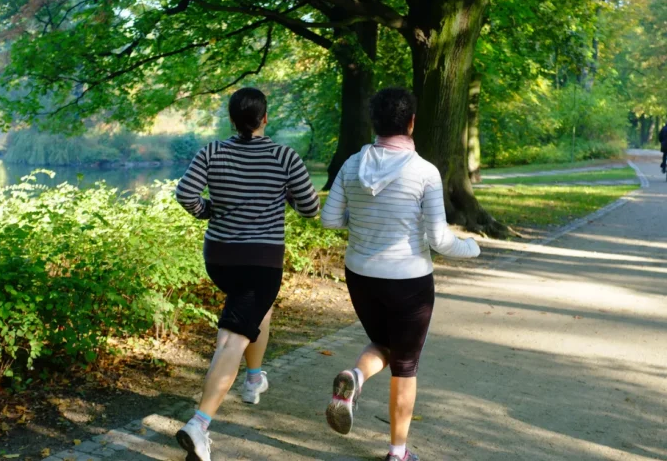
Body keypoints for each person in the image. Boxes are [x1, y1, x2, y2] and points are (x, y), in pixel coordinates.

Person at [321, 87, 481, 461]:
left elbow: (329, 220)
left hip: (360, 275)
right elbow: (439, 240)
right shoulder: (424, 172)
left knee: (384, 345)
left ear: (374, 123)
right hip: (409, 283)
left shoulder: (350, 165)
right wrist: (471, 247)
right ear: (411, 122)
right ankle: (397, 453)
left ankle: (355, 378)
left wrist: (360, 222)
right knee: (405, 366)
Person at [174, 87, 320, 461]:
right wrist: (282, 193)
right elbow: (309, 208)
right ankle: (200, 424)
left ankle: (254, 379)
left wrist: (211, 210)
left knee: (258, 309)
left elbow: (186, 194)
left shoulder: (212, 151)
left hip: (220, 259)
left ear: (232, 119)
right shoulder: (284, 156)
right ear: (265, 118)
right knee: (232, 340)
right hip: (261, 260)